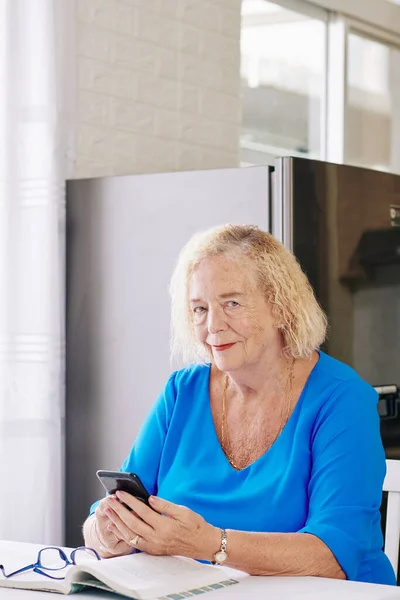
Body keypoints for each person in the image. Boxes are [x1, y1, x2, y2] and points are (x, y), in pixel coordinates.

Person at [83, 224, 396, 585]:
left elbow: (334, 555)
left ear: (281, 307)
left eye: (231, 303)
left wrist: (211, 544)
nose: (213, 325)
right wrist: (108, 533)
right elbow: (111, 512)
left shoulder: (343, 399)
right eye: (199, 308)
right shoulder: (181, 391)